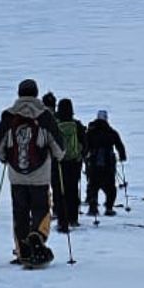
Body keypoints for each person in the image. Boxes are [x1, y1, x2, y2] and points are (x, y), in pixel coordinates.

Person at [0, 79, 65, 265]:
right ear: (36, 93)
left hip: (16, 175)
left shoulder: (8, 116)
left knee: (20, 213)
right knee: (42, 209)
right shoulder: (45, 116)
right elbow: (59, 148)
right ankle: (37, 236)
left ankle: (23, 252)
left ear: (19, 93)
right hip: (40, 175)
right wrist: (56, 156)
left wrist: (5, 159)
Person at [83, 109, 127, 217]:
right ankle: (109, 207)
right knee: (110, 187)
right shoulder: (111, 132)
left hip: (93, 163)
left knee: (93, 185)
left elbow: (85, 146)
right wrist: (122, 156)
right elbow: (119, 145)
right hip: (108, 164)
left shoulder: (90, 132)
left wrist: (83, 157)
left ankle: (93, 208)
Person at [51, 98, 86, 232]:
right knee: (72, 190)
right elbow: (84, 143)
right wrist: (80, 155)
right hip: (74, 163)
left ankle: (62, 220)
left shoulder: (54, 125)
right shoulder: (77, 125)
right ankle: (73, 219)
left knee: (60, 192)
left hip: (58, 163)